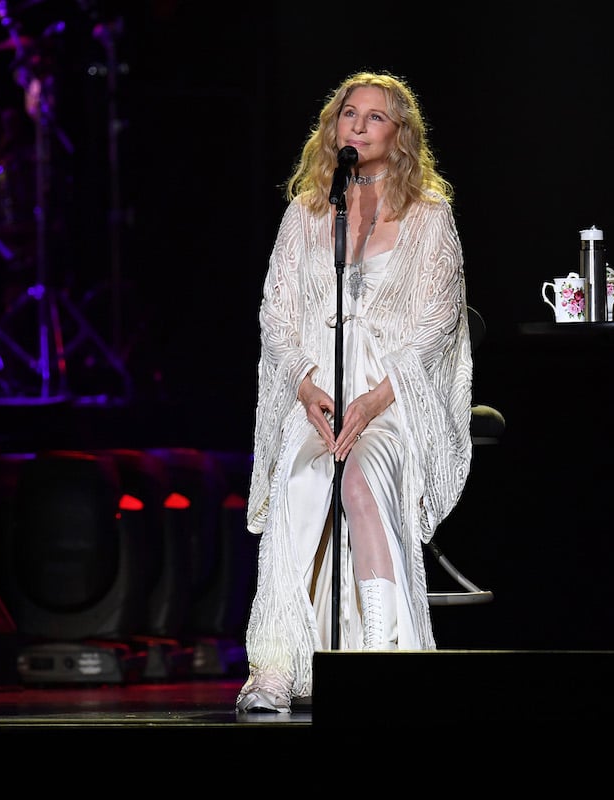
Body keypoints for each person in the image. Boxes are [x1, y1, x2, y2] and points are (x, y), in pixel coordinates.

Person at [236, 71, 473, 713]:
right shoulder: (309, 210)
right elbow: (275, 315)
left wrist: (372, 402)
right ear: (332, 128)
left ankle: (378, 656)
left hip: (394, 400)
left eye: (375, 117)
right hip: (318, 395)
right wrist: (306, 387)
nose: (359, 126)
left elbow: (434, 328)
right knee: (301, 483)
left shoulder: (429, 217)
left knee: (363, 480)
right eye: (349, 114)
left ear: (399, 135)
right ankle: (276, 665)